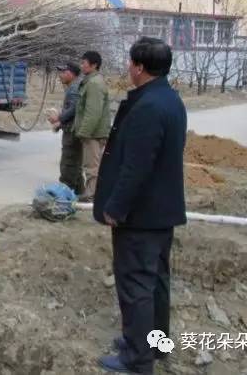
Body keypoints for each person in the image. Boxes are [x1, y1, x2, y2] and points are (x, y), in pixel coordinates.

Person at [94, 37, 187, 374]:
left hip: (141, 215)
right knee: (157, 281)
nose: (129, 69)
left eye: (131, 63)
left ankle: (137, 358)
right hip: (163, 212)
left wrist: (116, 207)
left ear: (140, 67)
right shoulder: (170, 99)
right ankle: (156, 343)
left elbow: (137, 166)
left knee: (136, 286)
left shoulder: (148, 107)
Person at [74, 50, 111, 202]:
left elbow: (93, 112)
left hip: (93, 134)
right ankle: (92, 194)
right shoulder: (91, 81)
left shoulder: (94, 84)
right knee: (91, 164)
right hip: (93, 132)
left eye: (84, 63)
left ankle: (91, 195)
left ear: (94, 65)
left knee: (91, 166)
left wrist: (83, 132)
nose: (81, 66)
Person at [48, 62, 84, 194]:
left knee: (68, 164)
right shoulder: (74, 87)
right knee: (75, 166)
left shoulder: (74, 88)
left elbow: (74, 109)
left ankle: (64, 197)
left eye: (63, 72)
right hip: (72, 130)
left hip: (72, 132)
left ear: (70, 73)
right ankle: (80, 194)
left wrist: (59, 118)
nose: (61, 75)